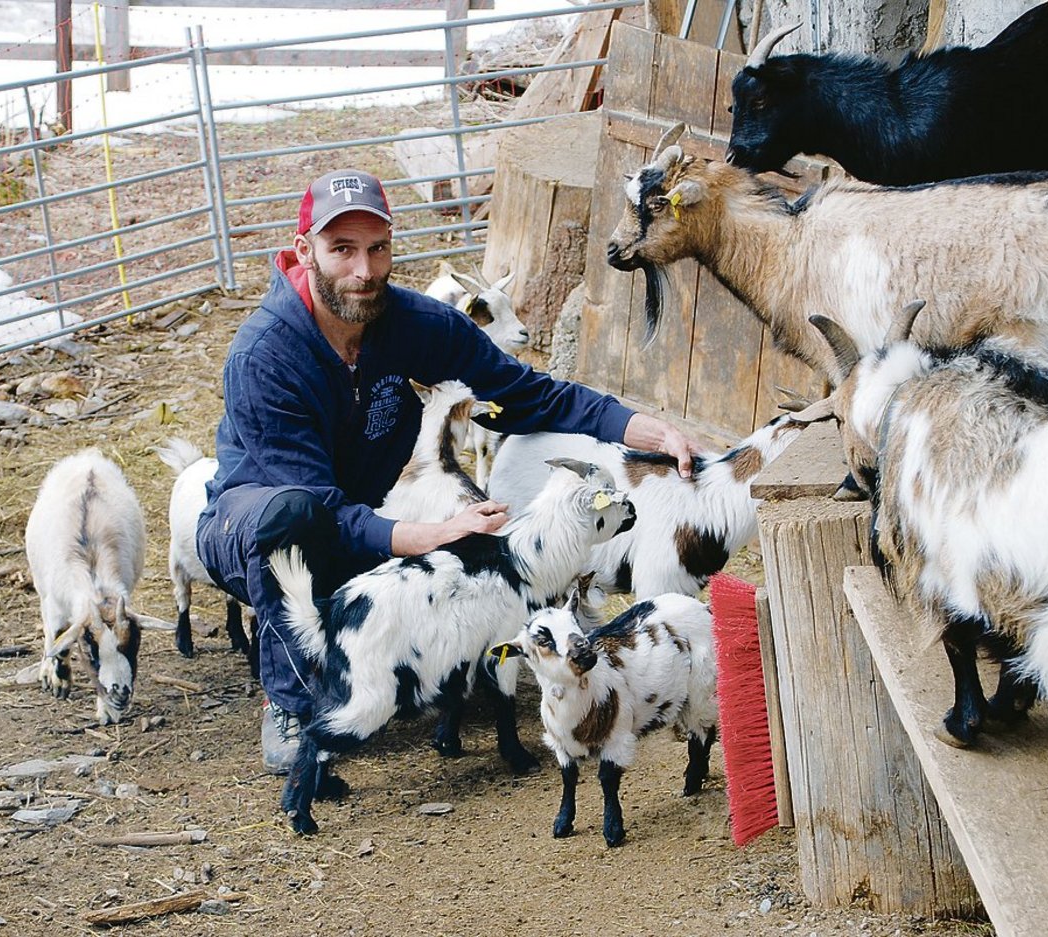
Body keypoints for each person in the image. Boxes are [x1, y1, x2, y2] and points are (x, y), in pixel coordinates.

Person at [196, 168, 699, 774]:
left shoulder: (413, 326)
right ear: (305, 252)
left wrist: (647, 430)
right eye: (342, 250)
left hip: (361, 515)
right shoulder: (266, 354)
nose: (363, 271)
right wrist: (426, 535)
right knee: (295, 520)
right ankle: (293, 700)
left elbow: (527, 393)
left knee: (392, 546)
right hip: (256, 523)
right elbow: (316, 504)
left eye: (377, 249)